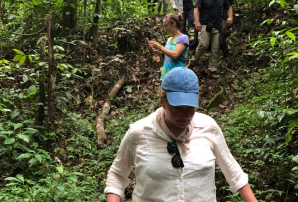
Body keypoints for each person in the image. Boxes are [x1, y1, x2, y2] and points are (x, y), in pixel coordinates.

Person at [104, 67, 258, 202]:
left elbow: (234, 173)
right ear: (163, 102)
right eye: (178, 108)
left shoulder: (208, 127)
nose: (185, 115)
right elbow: (117, 175)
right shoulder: (139, 133)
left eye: (190, 108)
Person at [188, 0, 233, 78]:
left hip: (216, 27)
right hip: (204, 25)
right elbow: (196, 9)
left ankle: (212, 70)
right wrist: (197, 22)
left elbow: (228, 7)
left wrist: (230, 17)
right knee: (203, 44)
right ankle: (193, 62)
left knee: (216, 48)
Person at [148, 13, 189, 79]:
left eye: (166, 26)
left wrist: (160, 47)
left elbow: (175, 55)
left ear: (174, 24)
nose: (164, 28)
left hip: (177, 75)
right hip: (166, 75)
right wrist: (156, 50)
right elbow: (166, 57)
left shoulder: (183, 38)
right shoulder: (169, 39)